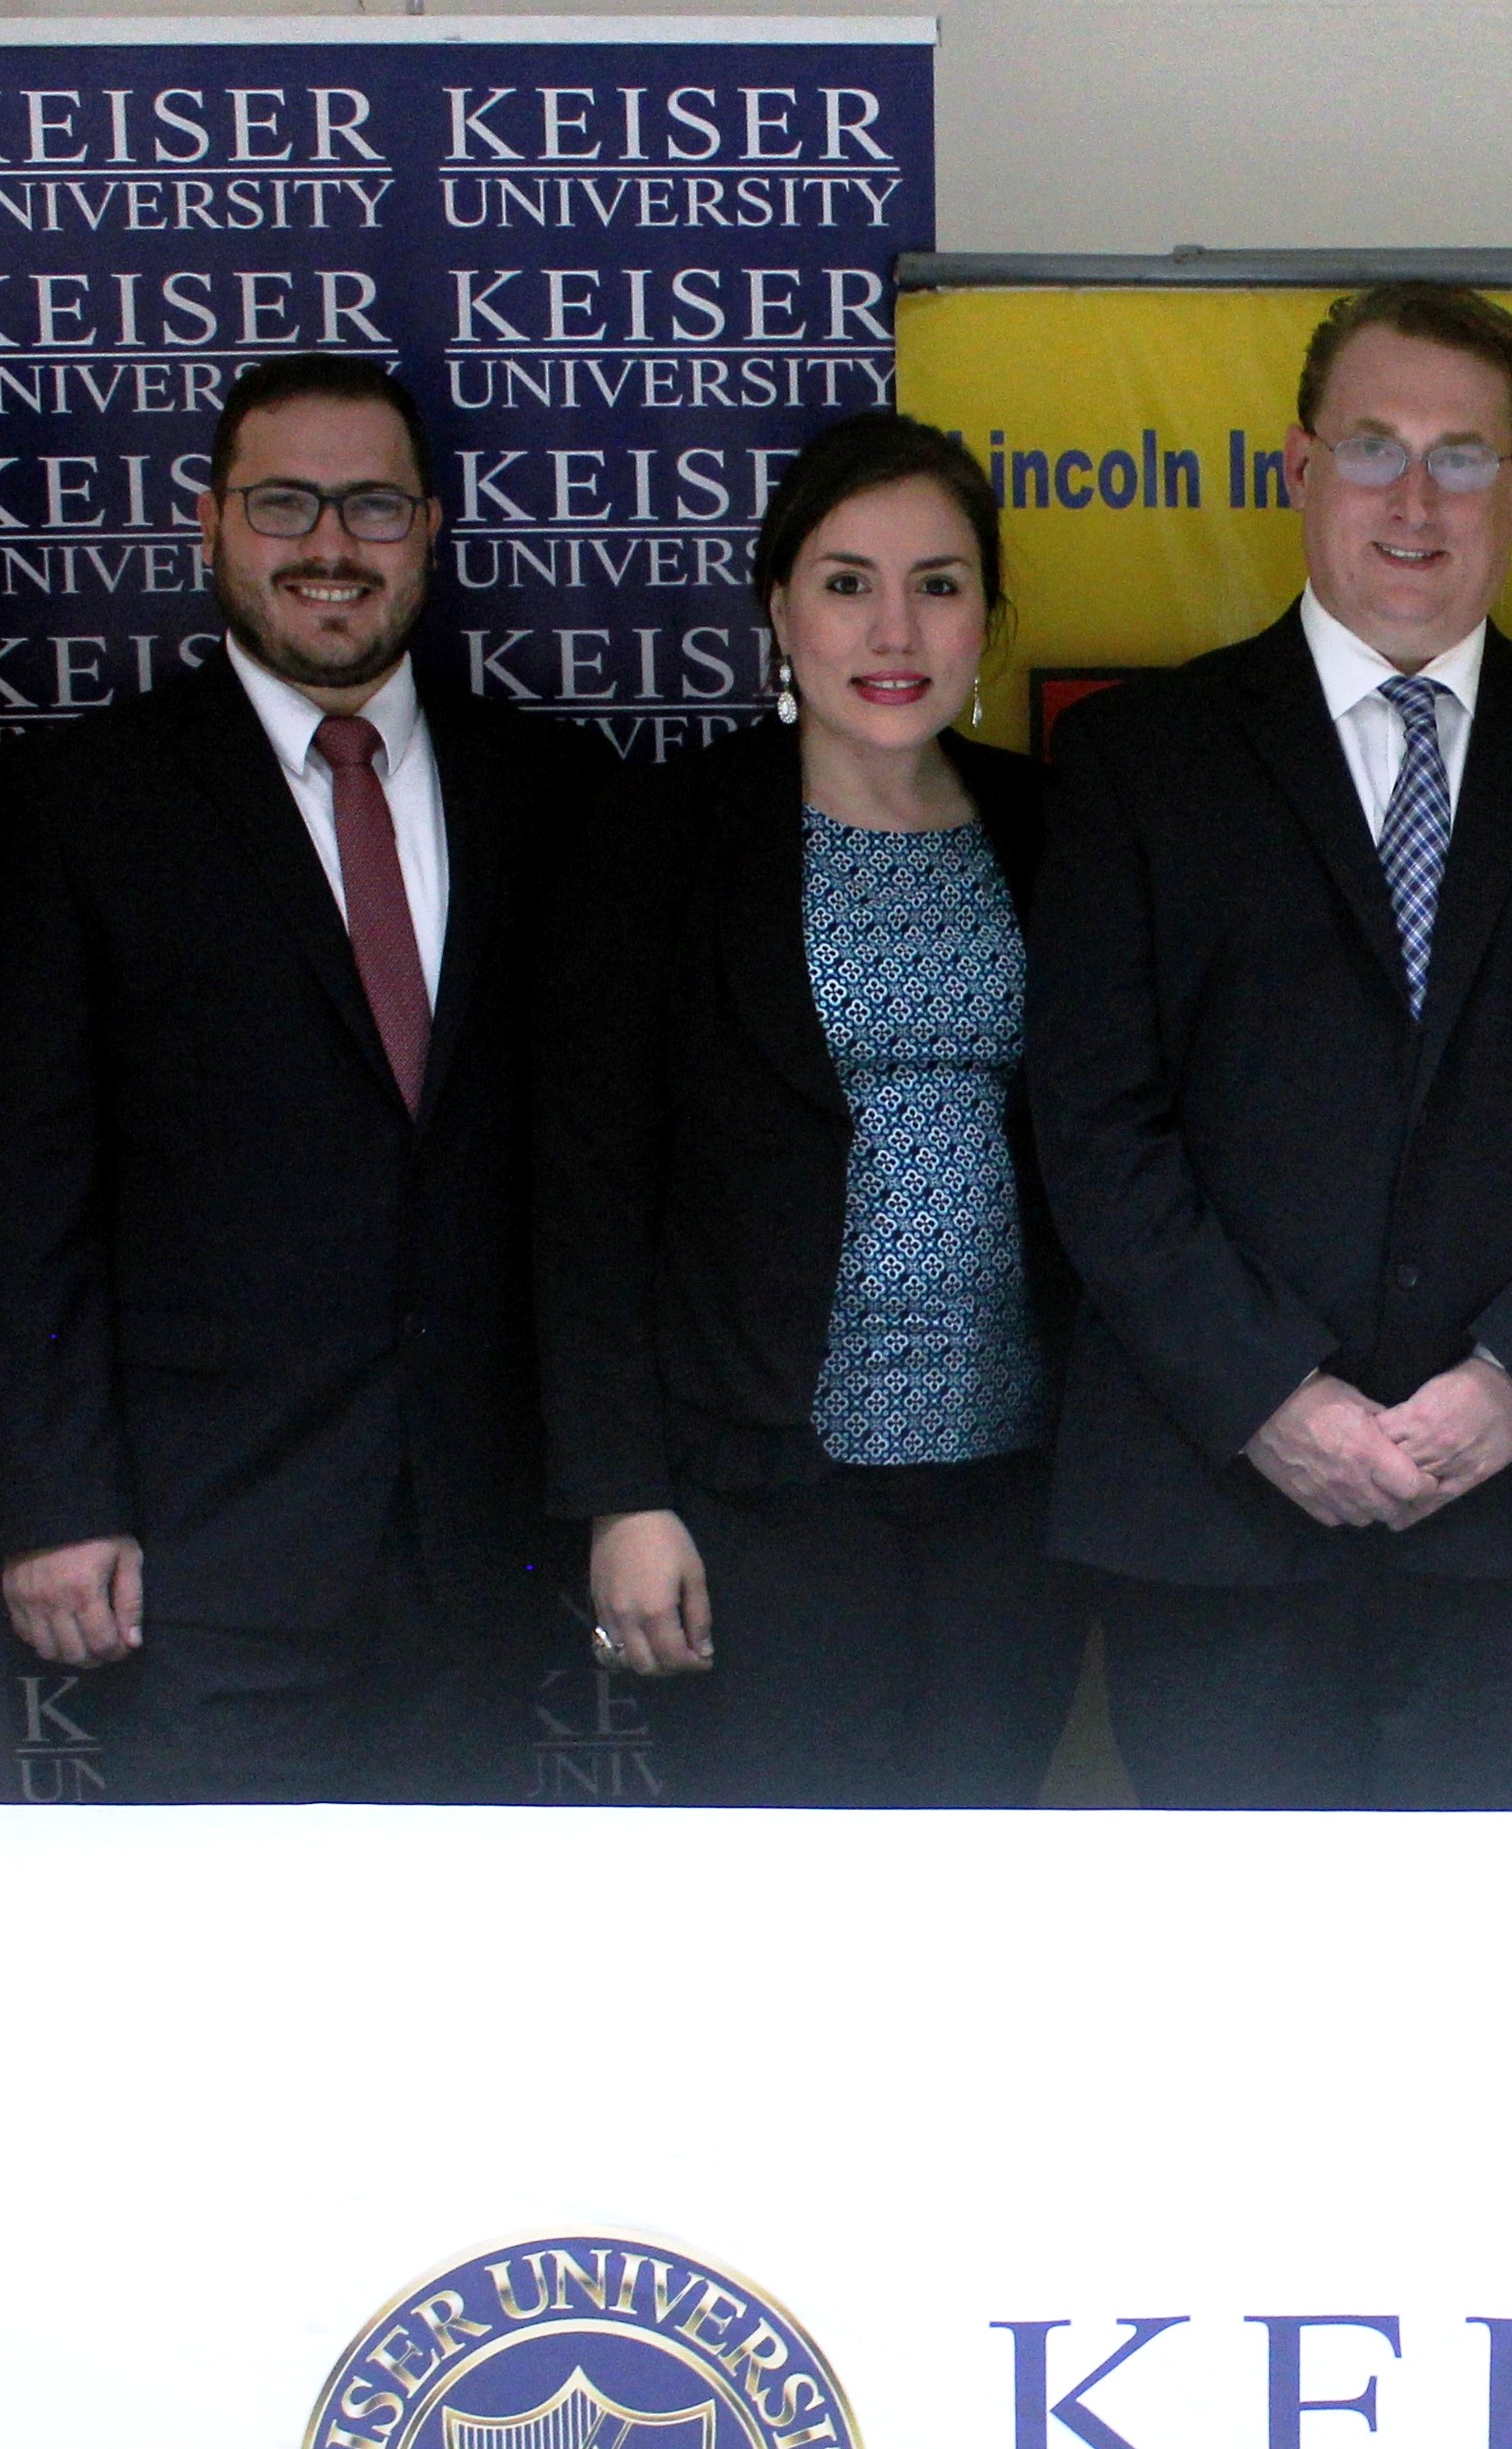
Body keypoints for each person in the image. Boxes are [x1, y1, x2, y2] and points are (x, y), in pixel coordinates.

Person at [1025, 282, 1512, 1808]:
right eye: (1372, 448)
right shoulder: (1132, 760)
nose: (1414, 501)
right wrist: (1269, 1401)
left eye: (1461, 456)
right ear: (1300, 468)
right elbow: (1095, 1124)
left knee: (1498, 1959)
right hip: (1217, 1520)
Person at [0, 353, 603, 1800]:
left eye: (371, 505)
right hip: (201, 1557)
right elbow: (21, 1190)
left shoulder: (556, 793)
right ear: (210, 523)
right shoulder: (77, 802)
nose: (329, 544)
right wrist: (52, 1501)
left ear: (429, 529)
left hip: (484, 1550)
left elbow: (594, 1175)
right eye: (284, 503)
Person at [535, 414, 1082, 1803]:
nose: (893, 629)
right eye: (847, 584)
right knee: (788, 1898)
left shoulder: (1055, 827)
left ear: (986, 617)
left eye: (938, 585)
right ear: (779, 610)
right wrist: (622, 1493)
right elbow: (584, 1187)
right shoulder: (663, 833)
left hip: (1013, 1495)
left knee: (974, 1874)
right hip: (760, 1494)